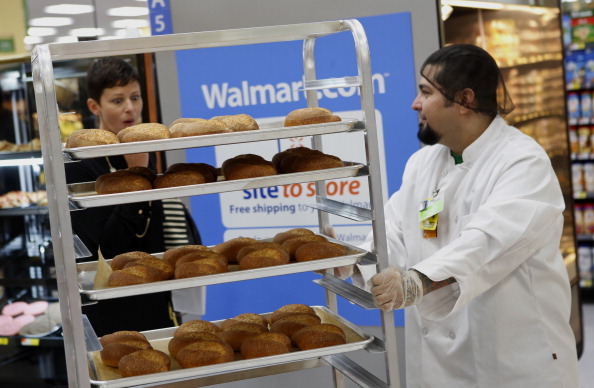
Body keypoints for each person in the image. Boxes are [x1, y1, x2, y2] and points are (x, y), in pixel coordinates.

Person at [349, 44, 579, 387]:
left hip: (511, 361)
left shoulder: (521, 161)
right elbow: (395, 230)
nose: (415, 104)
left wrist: (417, 281)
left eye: (425, 92)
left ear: (464, 100)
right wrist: (357, 262)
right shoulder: (424, 163)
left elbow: (489, 242)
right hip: (437, 363)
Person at [66, 57, 201, 336]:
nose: (130, 108)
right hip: (110, 309)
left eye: (135, 97)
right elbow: (106, 248)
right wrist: (135, 171)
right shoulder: (80, 165)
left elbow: (152, 226)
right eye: (117, 100)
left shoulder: (140, 149)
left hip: (155, 296)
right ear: (95, 106)